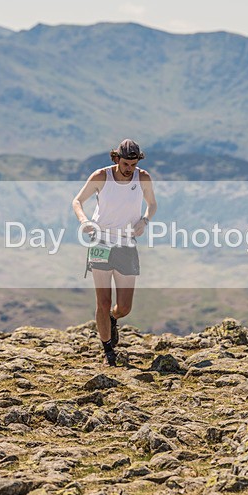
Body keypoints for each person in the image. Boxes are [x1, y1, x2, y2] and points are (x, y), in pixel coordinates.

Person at [72, 139, 157, 366]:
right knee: (103, 301)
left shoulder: (143, 178)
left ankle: (112, 319)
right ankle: (108, 349)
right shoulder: (101, 176)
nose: (130, 168)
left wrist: (145, 221)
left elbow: (152, 204)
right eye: (126, 163)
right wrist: (84, 221)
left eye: (133, 163)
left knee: (124, 307)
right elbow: (77, 201)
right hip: (100, 242)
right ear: (116, 158)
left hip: (127, 244)